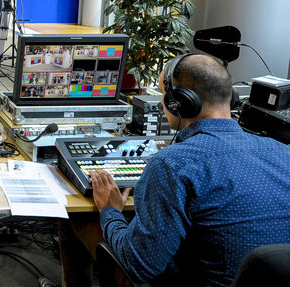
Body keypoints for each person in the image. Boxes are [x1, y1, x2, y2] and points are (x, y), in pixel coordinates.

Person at [87, 54, 290, 287]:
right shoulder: (283, 152)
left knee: (82, 222)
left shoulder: (172, 165)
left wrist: (111, 211)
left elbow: (139, 266)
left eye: (164, 94)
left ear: (178, 102)